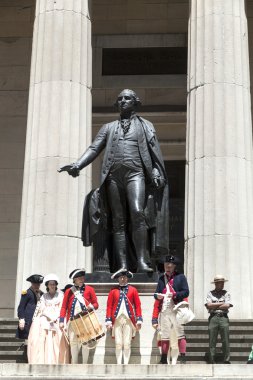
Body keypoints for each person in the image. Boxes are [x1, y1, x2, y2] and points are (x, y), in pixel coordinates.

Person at [59, 89, 169, 273]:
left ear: (135, 102)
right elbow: (94, 148)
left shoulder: (146, 126)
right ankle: (123, 264)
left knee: (137, 212)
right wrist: (78, 165)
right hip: (113, 176)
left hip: (136, 174)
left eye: (127, 98)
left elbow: (154, 153)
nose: (122, 101)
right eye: (119, 99)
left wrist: (156, 172)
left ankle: (142, 261)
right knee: (118, 220)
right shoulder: (109, 127)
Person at [152, 255, 189, 364]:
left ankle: (182, 357)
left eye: (170, 265)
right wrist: (157, 296)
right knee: (165, 334)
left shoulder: (181, 277)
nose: (167, 267)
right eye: (166, 265)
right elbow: (156, 292)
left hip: (176, 308)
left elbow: (186, 292)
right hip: (164, 309)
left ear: (174, 266)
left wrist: (175, 294)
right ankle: (164, 358)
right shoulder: (161, 278)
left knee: (180, 333)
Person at [27, 274, 70, 364]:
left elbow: (62, 308)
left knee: (59, 333)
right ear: (47, 285)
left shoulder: (61, 295)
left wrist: (55, 317)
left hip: (58, 317)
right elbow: (42, 309)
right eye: (50, 284)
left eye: (53, 284)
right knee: (39, 330)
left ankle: (59, 360)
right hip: (46, 317)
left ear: (56, 285)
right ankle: (42, 360)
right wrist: (49, 317)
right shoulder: (44, 296)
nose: (52, 285)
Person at [59, 268, 99, 364]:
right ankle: (74, 364)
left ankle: (85, 364)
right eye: (79, 278)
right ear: (74, 280)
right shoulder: (69, 291)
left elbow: (96, 304)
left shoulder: (90, 289)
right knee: (73, 343)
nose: (81, 279)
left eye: (82, 277)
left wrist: (91, 306)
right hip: (72, 321)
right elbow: (64, 307)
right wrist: (61, 320)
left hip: (85, 320)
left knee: (86, 343)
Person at [105, 268, 143, 364]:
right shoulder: (113, 291)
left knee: (127, 343)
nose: (123, 279)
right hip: (117, 320)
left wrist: (139, 319)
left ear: (127, 278)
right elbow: (109, 306)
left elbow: (137, 305)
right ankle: (118, 364)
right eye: (121, 277)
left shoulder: (133, 290)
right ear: (118, 279)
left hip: (128, 320)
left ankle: (125, 364)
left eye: (125, 277)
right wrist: (108, 320)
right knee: (118, 343)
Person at [205, 274, 233, 364]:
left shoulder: (226, 293)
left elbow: (227, 305)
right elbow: (208, 305)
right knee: (212, 339)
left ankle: (226, 359)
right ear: (216, 284)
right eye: (221, 283)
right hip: (213, 317)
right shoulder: (210, 293)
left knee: (225, 339)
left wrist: (214, 305)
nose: (222, 284)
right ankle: (212, 359)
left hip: (223, 317)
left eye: (223, 283)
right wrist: (221, 304)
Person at [16, 274, 44, 361]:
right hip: (28, 320)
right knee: (28, 340)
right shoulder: (26, 293)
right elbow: (21, 307)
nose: (37, 285)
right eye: (35, 284)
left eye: (39, 284)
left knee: (36, 340)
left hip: (38, 320)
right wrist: (21, 318)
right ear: (32, 283)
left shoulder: (42, 293)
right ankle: (27, 359)